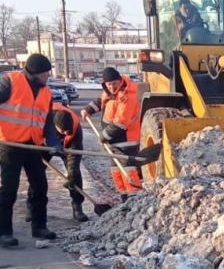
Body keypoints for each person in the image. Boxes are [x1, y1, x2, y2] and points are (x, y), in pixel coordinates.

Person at [0, 54, 59, 247]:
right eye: (45, 73)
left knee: (40, 186)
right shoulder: (9, 82)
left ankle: (39, 226)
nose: (48, 76)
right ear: (34, 73)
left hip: (33, 145)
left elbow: (48, 122)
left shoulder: (46, 93)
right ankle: (4, 232)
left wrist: (53, 142)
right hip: (10, 145)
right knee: (9, 190)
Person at [81, 67, 141, 195]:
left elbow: (120, 123)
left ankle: (135, 197)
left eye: (114, 83)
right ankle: (124, 197)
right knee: (116, 171)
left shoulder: (128, 96)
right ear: (105, 85)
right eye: (109, 84)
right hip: (113, 142)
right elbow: (100, 102)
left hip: (126, 141)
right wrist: (88, 109)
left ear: (120, 81)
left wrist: (104, 136)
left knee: (127, 170)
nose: (112, 87)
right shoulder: (109, 93)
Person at [26, 103, 88, 222]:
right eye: (63, 130)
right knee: (36, 174)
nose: (65, 132)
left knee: (74, 174)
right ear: (54, 125)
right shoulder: (41, 121)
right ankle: (32, 206)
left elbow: (74, 155)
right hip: (44, 145)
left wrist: (72, 173)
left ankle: (77, 207)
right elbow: (31, 137)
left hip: (67, 146)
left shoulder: (75, 128)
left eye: (67, 131)